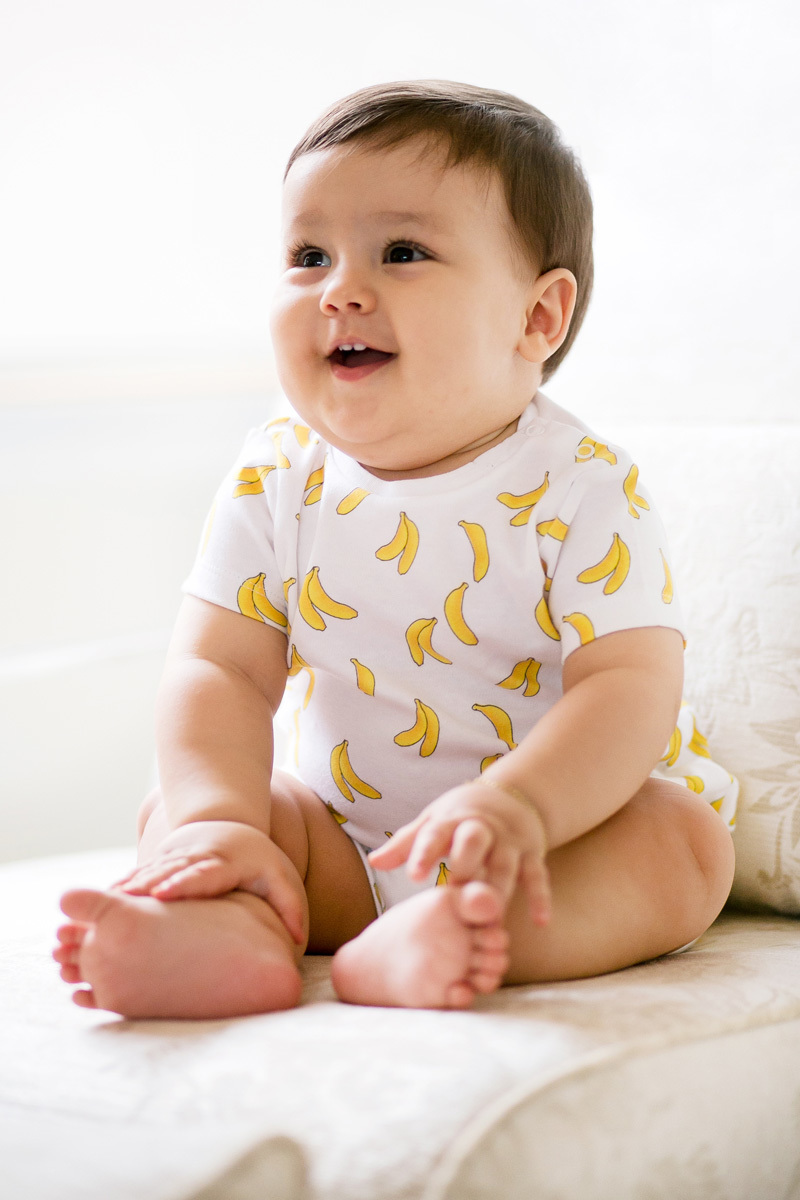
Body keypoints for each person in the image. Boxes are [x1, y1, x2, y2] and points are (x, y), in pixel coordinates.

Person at [54, 80, 738, 1019]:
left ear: (538, 318)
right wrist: (218, 823)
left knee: (684, 845)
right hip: (341, 847)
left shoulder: (581, 487)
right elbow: (221, 669)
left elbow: (627, 687)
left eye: (402, 252)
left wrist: (519, 812)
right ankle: (225, 932)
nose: (340, 287)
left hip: (547, 843)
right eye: (308, 255)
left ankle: (453, 938)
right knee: (180, 807)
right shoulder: (278, 475)